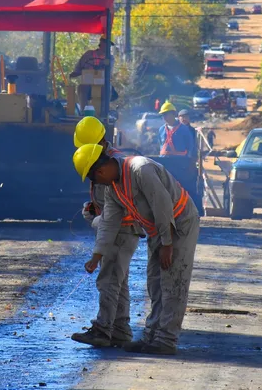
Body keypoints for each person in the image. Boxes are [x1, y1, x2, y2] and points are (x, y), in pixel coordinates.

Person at [74, 144, 200, 355]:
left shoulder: (140, 169)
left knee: (172, 281)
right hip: (158, 231)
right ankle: (152, 337)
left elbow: (163, 206)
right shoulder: (114, 188)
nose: (95, 184)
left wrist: (167, 244)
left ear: (101, 171)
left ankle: (166, 341)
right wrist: (97, 257)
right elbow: (108, 223)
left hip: (180, 224)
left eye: (93, 179)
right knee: (155, 282)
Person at [70, 116, 142, 349]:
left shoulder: (109, 164)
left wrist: (96, 221)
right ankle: (120, 330)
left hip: (119, 229)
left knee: (109, 280)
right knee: (118, 282)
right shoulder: (112, 161)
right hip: (122, 229)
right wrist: (94, 210)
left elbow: (115, 212)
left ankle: (102, 330)